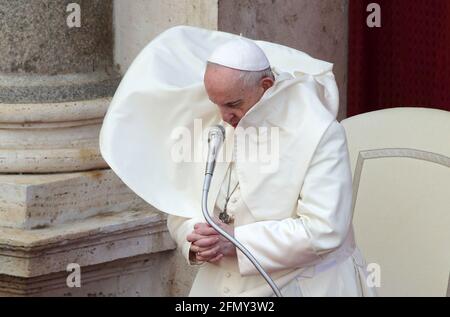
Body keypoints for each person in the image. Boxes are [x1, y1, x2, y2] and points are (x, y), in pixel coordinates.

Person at [99, 26, 377, 297]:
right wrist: (196, 240)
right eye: (216, 104)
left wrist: (235, 242)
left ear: (265, 86)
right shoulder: (217, 119)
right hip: (222, 281)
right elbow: (181, 201)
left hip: (304, 282)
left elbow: (324, 229)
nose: (224, 116)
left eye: (233, 105)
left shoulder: (319, 131)